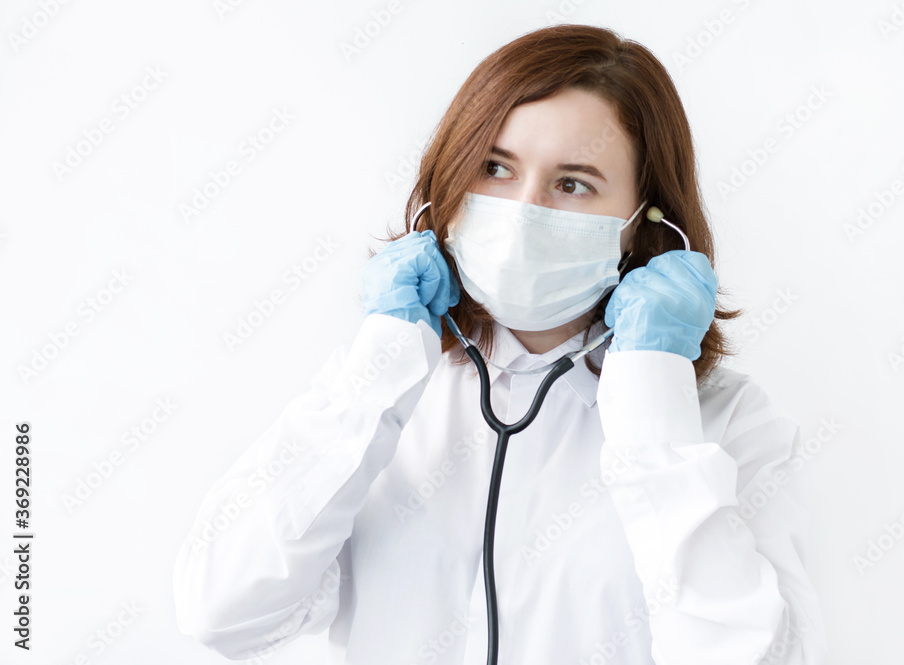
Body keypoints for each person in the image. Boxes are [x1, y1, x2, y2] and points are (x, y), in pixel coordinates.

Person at [173, 23, 827, 665]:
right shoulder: (379, 393)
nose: (523, 211)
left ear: (644, 220)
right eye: (495, 168)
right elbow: (222, 612)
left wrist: (655, 410)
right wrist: (380, 367)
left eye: (572, 183)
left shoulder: (728, 423)